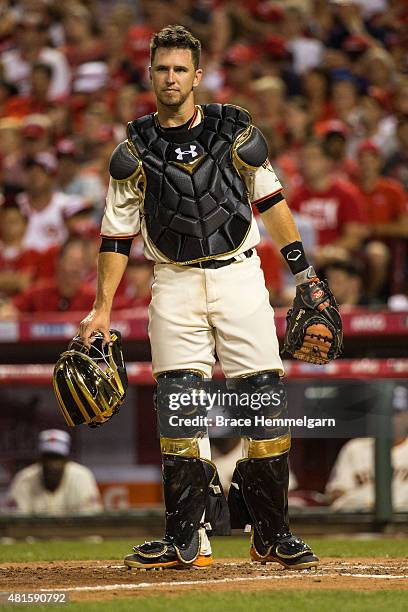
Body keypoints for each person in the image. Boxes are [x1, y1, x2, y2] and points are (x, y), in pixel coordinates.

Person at [79, 25, 330, 571]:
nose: (170, 78)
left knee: (263, 398)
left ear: (197, 75)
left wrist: (305, 274)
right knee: (179, 405)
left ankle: (271, 533)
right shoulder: (133, 151)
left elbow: (272, 200)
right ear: (150, 75)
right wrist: (101, 306)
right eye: (161, 69)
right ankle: (187, 539)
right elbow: (116, 236)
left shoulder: (234, 129)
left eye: (179, 69)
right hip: (173, 282)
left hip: (241, 275)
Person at [326, 386, 408, 511]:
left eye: (395, 413)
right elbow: (335, 492)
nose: (388, 419)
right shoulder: (355, 448)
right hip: (360, 523)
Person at [5, 429, 102, 515]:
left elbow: (92, 520)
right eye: (48, 458)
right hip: (35, 535)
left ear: (66, 460)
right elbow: (13, 524)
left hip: (74, 535)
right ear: (40, 459)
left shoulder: (81, 477)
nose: (52, 464)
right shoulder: (24, 478)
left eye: (57, 458)